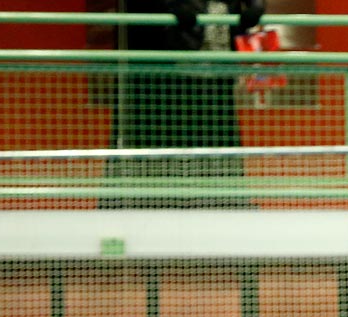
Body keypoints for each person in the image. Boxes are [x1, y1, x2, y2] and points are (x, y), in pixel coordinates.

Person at [106, 1, 266, 209]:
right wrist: (173, 6)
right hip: (172, 60)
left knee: (216, 132)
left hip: (219, 58)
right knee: (170, 129)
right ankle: (160, 200)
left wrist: (256, 6)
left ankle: (221, 200)